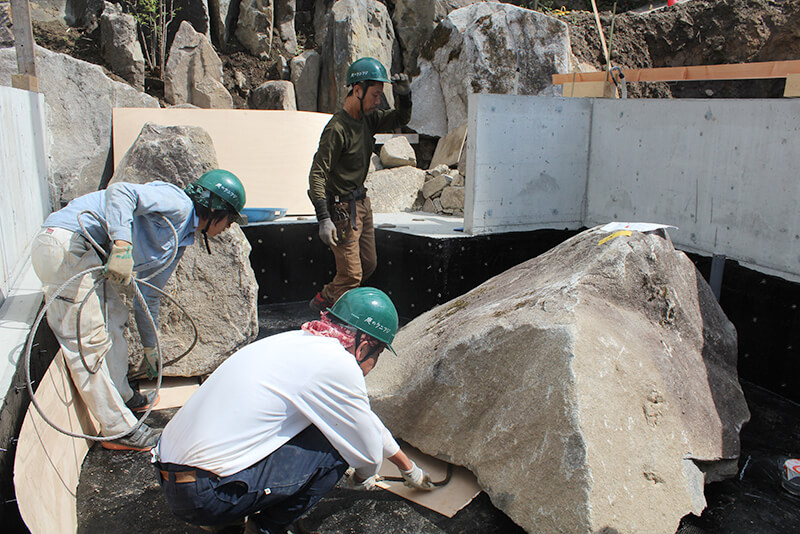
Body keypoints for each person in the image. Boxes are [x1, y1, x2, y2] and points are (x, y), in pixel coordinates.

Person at [153, 288, 433, 534]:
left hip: (172, 476)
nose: (375, 364)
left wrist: (408, 467)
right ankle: (265, 527)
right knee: (337, 447)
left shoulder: (298, 342)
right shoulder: (339, 364)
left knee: (328, 427)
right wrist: (361, 478)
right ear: (365, 345)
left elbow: (363, 418)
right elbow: (368, 451)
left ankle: (226, 518)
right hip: (203, 495)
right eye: (379, 354)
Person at [30, 169, 246, 451]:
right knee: (88, 344)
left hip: (87, 254)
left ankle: (123, 395)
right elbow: (120, 192)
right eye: (230, 220)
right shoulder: (178, 202)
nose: (229, 228)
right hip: (66, 244)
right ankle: (118, 430)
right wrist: (121, 244)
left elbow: (148, 296)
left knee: (116, 317)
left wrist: (150, 347)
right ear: (216, 208)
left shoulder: (180, 239)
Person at [307, 57, 412, 312]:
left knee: (368, 264)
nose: (378, 101)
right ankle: (330, 313)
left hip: (361, 203)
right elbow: (317, 174)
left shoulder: (368, 119)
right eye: (375, 95)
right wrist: (324, 218)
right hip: (342, 209)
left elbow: (401, 117)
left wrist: (405, 95)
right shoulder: (337, 129)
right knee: (352, 275)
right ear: (357, 90)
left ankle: (331, 296)